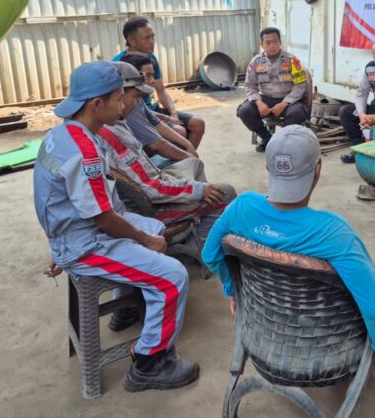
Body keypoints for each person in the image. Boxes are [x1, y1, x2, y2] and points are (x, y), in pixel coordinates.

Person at [202, 125, 375, 377]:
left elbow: (210, 255)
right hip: (327, 333)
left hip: (268, 329)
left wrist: (234, 289)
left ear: (268, 169)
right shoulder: (334, 232)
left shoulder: (240, 207)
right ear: (318, 170)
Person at [33, 61, 199, 391]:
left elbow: (55, 198)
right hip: (85, 242)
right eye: (119, 97)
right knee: (173, 276)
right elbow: (104, 218)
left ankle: (128, 308)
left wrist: (57, 234)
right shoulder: (85, 152)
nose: (123, 104)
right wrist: (144, 241)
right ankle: (149, 363)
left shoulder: (63, 133)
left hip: (72, 232)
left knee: (154, 228)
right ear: (97, 104)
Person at [100, 62, 236, 236]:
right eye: (132, 97)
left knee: (194, 163)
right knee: (225, 193)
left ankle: (198, 220)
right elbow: (152, 188)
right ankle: (204, 247)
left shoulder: (114, 123)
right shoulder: (112, 135)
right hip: (152, 209)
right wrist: (199, 190)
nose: (135, 103)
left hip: (150, 182)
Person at [114, 15, 206, 149]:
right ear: (131, 40)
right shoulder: (121, 65)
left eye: (153, 36)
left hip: (152, 109)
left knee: (198, 123)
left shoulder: (151, 59)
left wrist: (173, 114)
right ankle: (175, 160)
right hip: (135, 114)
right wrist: (169, 120)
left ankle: (186, 161)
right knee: (179, 131)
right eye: (147, 38)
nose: (152, 41)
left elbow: (161, 91)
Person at [237, 27, 310, 152]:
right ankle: (267, 138)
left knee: (297, 114)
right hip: (266, 98)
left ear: (280, 42)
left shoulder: (292, 60)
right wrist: (259, 103)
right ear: (262, 45)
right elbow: (249, 85)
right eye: (268, 42)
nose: (272, 45)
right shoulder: (256, 61)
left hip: (288, 100)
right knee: (244, 111)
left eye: (275, 41)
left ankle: (282, 142)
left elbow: (300, 86)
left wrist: (284, 103)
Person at [122, 54, 201, 167]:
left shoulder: (137, 98)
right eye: (148, 76)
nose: (153, 81)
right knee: (181, 154)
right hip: (135, 160)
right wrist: (190, 157)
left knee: (181, 142)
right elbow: (157, 144)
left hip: (142, 150)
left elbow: (156, 123)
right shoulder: (129, 104)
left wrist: (188, 145)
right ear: (135, 76)